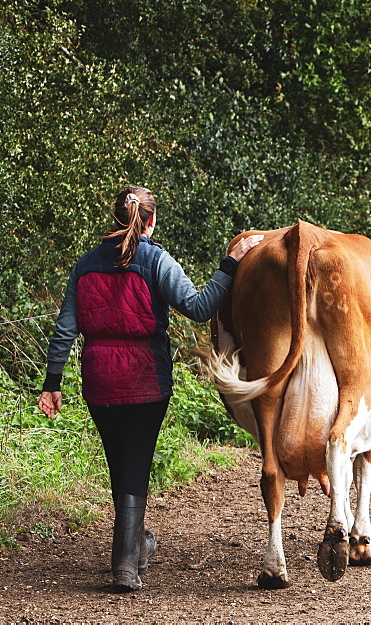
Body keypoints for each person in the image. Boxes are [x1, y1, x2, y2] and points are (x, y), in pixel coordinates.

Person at [37, 186, 263, 592]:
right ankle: (124, 566)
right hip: (145, 379)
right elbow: (198, 306)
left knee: (119, 462)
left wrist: (52, 383)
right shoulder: (156, 259)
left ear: (115, 218)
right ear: (151, 220)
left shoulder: (85, 265)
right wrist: (231, 263)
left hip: (100, 381)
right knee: (136, 463)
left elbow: (65, 330)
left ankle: (136, 545)